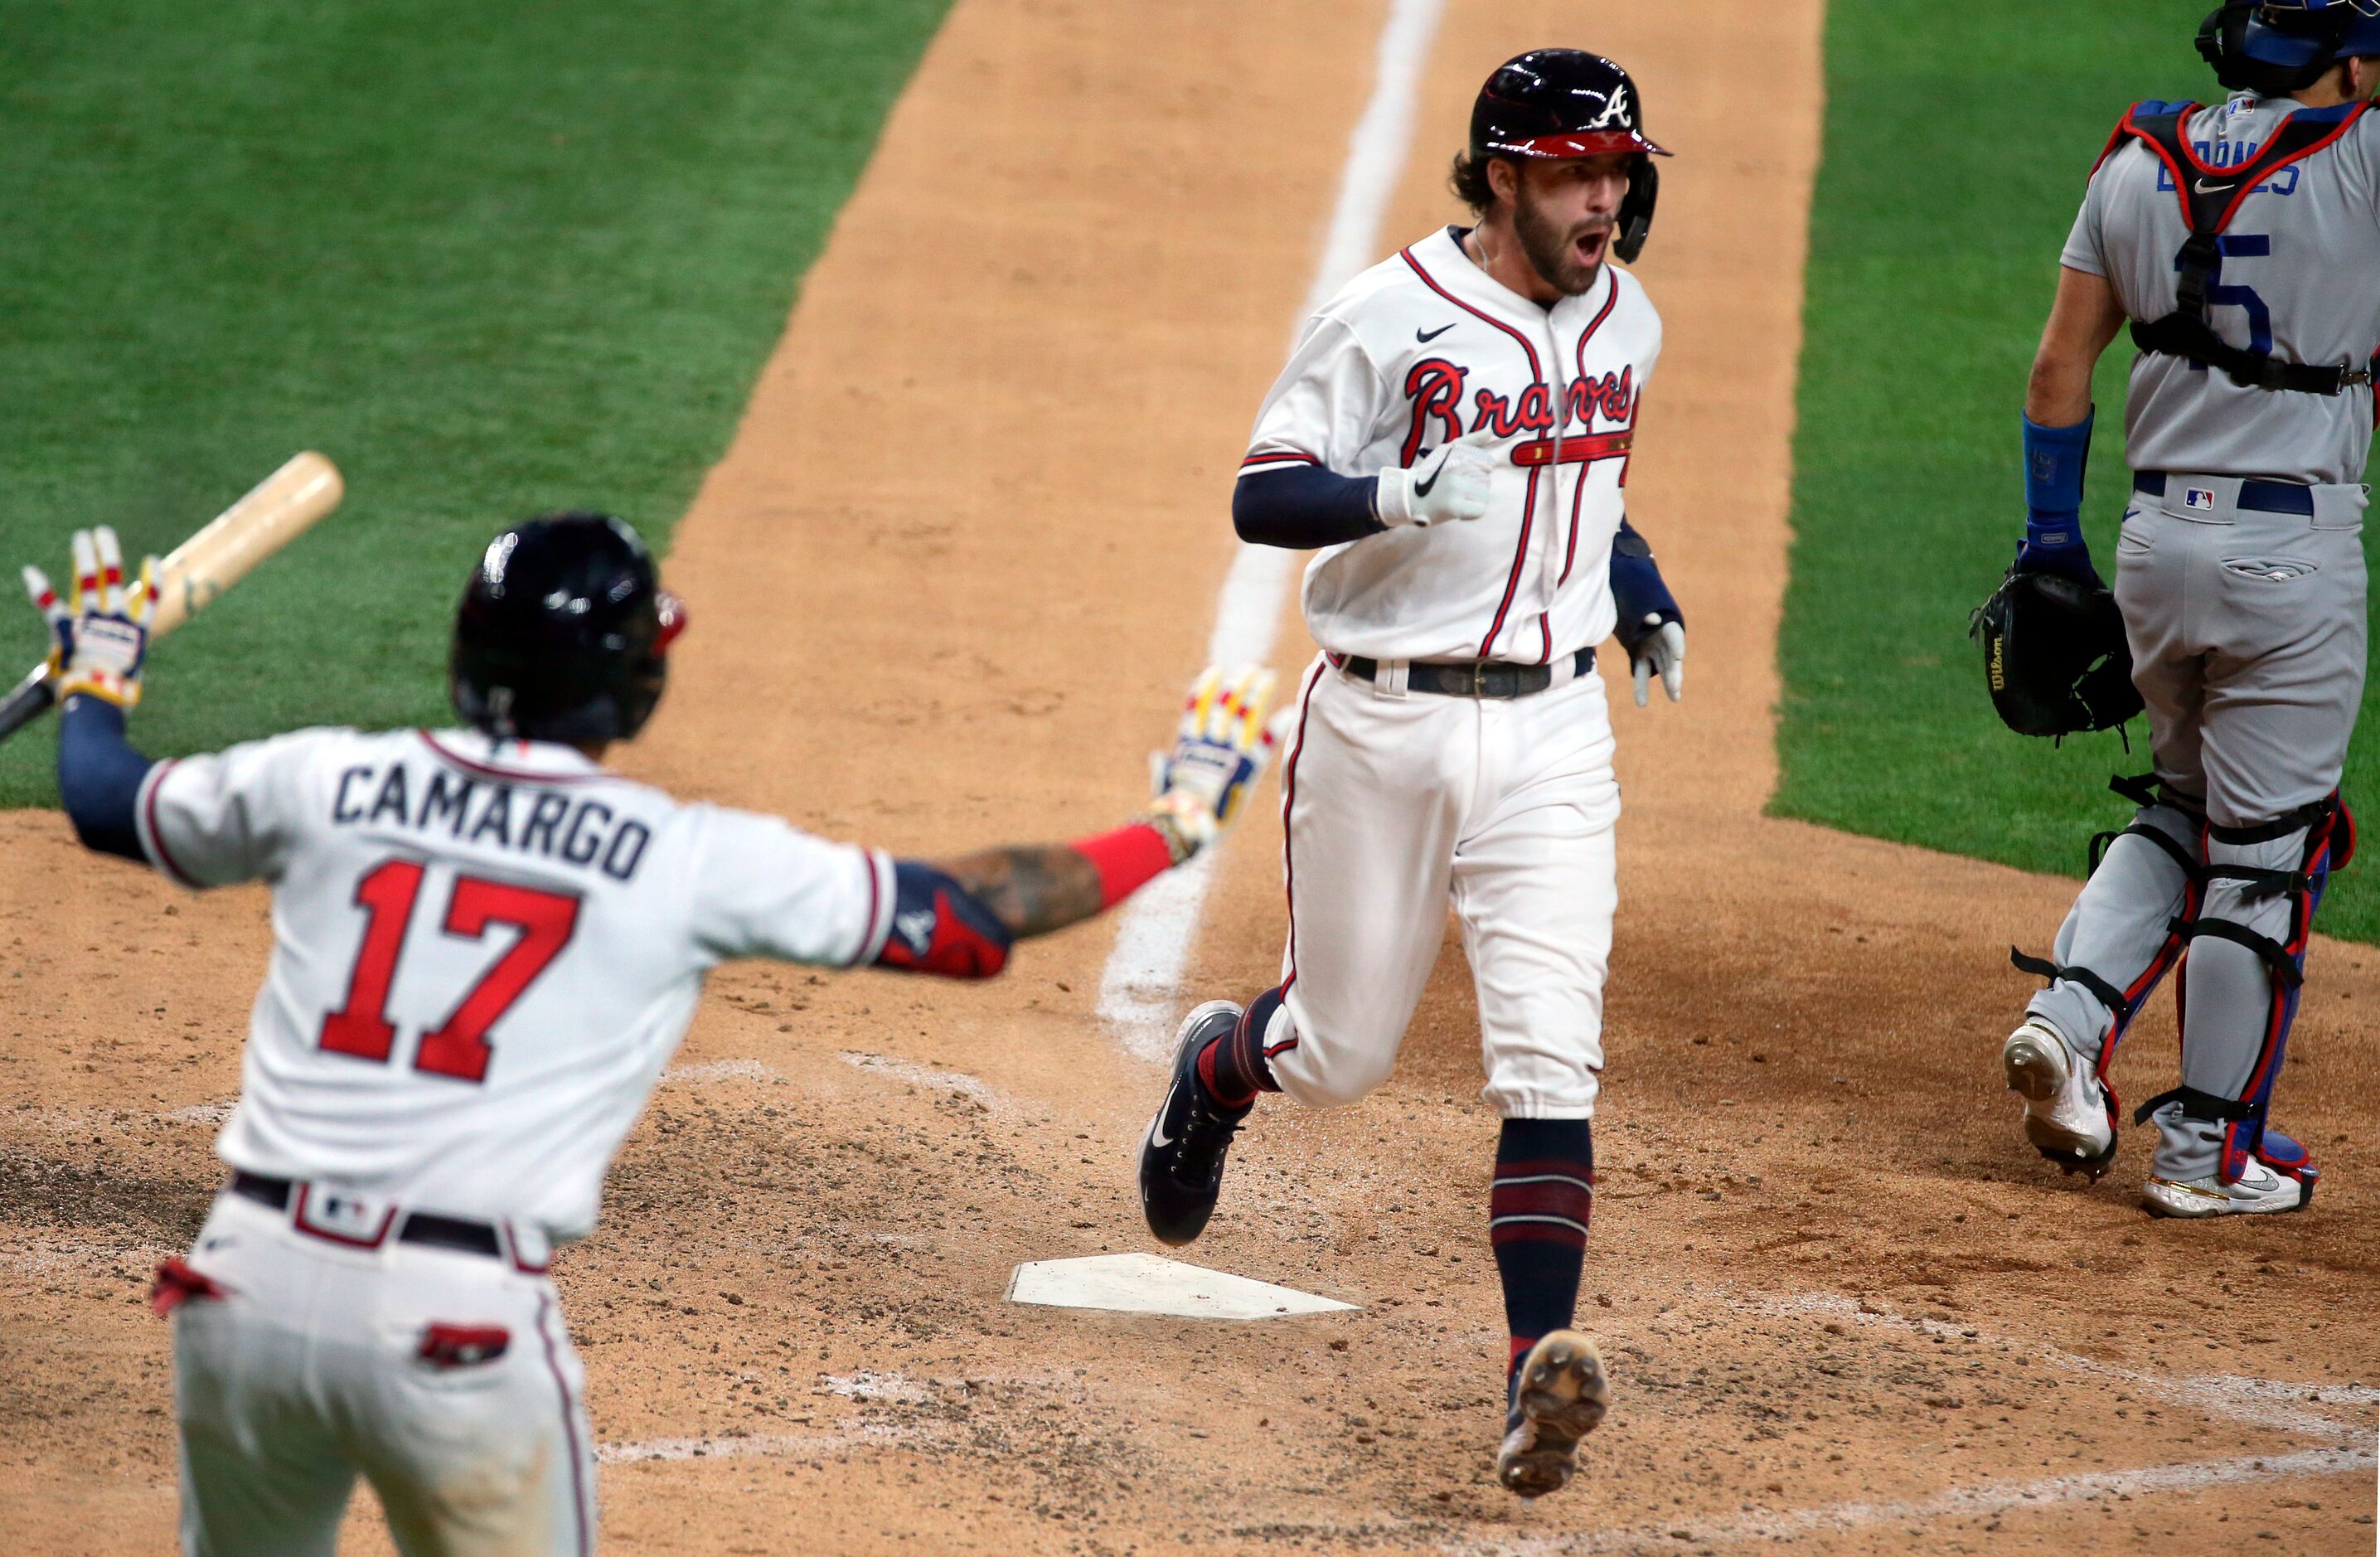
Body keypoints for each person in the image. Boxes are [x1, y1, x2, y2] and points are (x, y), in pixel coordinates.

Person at [22, 513, 1277, 1555]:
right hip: (453, 1328)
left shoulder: (321, 776)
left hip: (243, 1284)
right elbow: (963, 918)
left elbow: (102, 797)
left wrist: (98, 669)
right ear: (631, 681)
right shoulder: (675, 859)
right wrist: (1173, 818)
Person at [1133, 49, 1689, 1498]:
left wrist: (1638, 592)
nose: (1606, 202)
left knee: (1551, 1054)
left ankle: (1534, 1374)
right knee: (1342, 1052)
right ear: (1502, 174)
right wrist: (1389, 491)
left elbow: (1595, 486)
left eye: (1621, 173)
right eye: (1576, 172)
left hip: (1557, 735)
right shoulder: (1389, 315)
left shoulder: (1627, 316)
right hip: (1384, 724)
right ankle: (1215, 1066)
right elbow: (1265, 490)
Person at [2000, 0, 2378, 1218]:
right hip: (2291, 551)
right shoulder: (2364, 155)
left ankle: (2068, 1018)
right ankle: (2209, 1153)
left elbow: (2061, 363)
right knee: (2269, 847)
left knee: (2184, 810)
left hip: (2154, 545)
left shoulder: (2136, 157)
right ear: (2349, 60)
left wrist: (2051, 545)